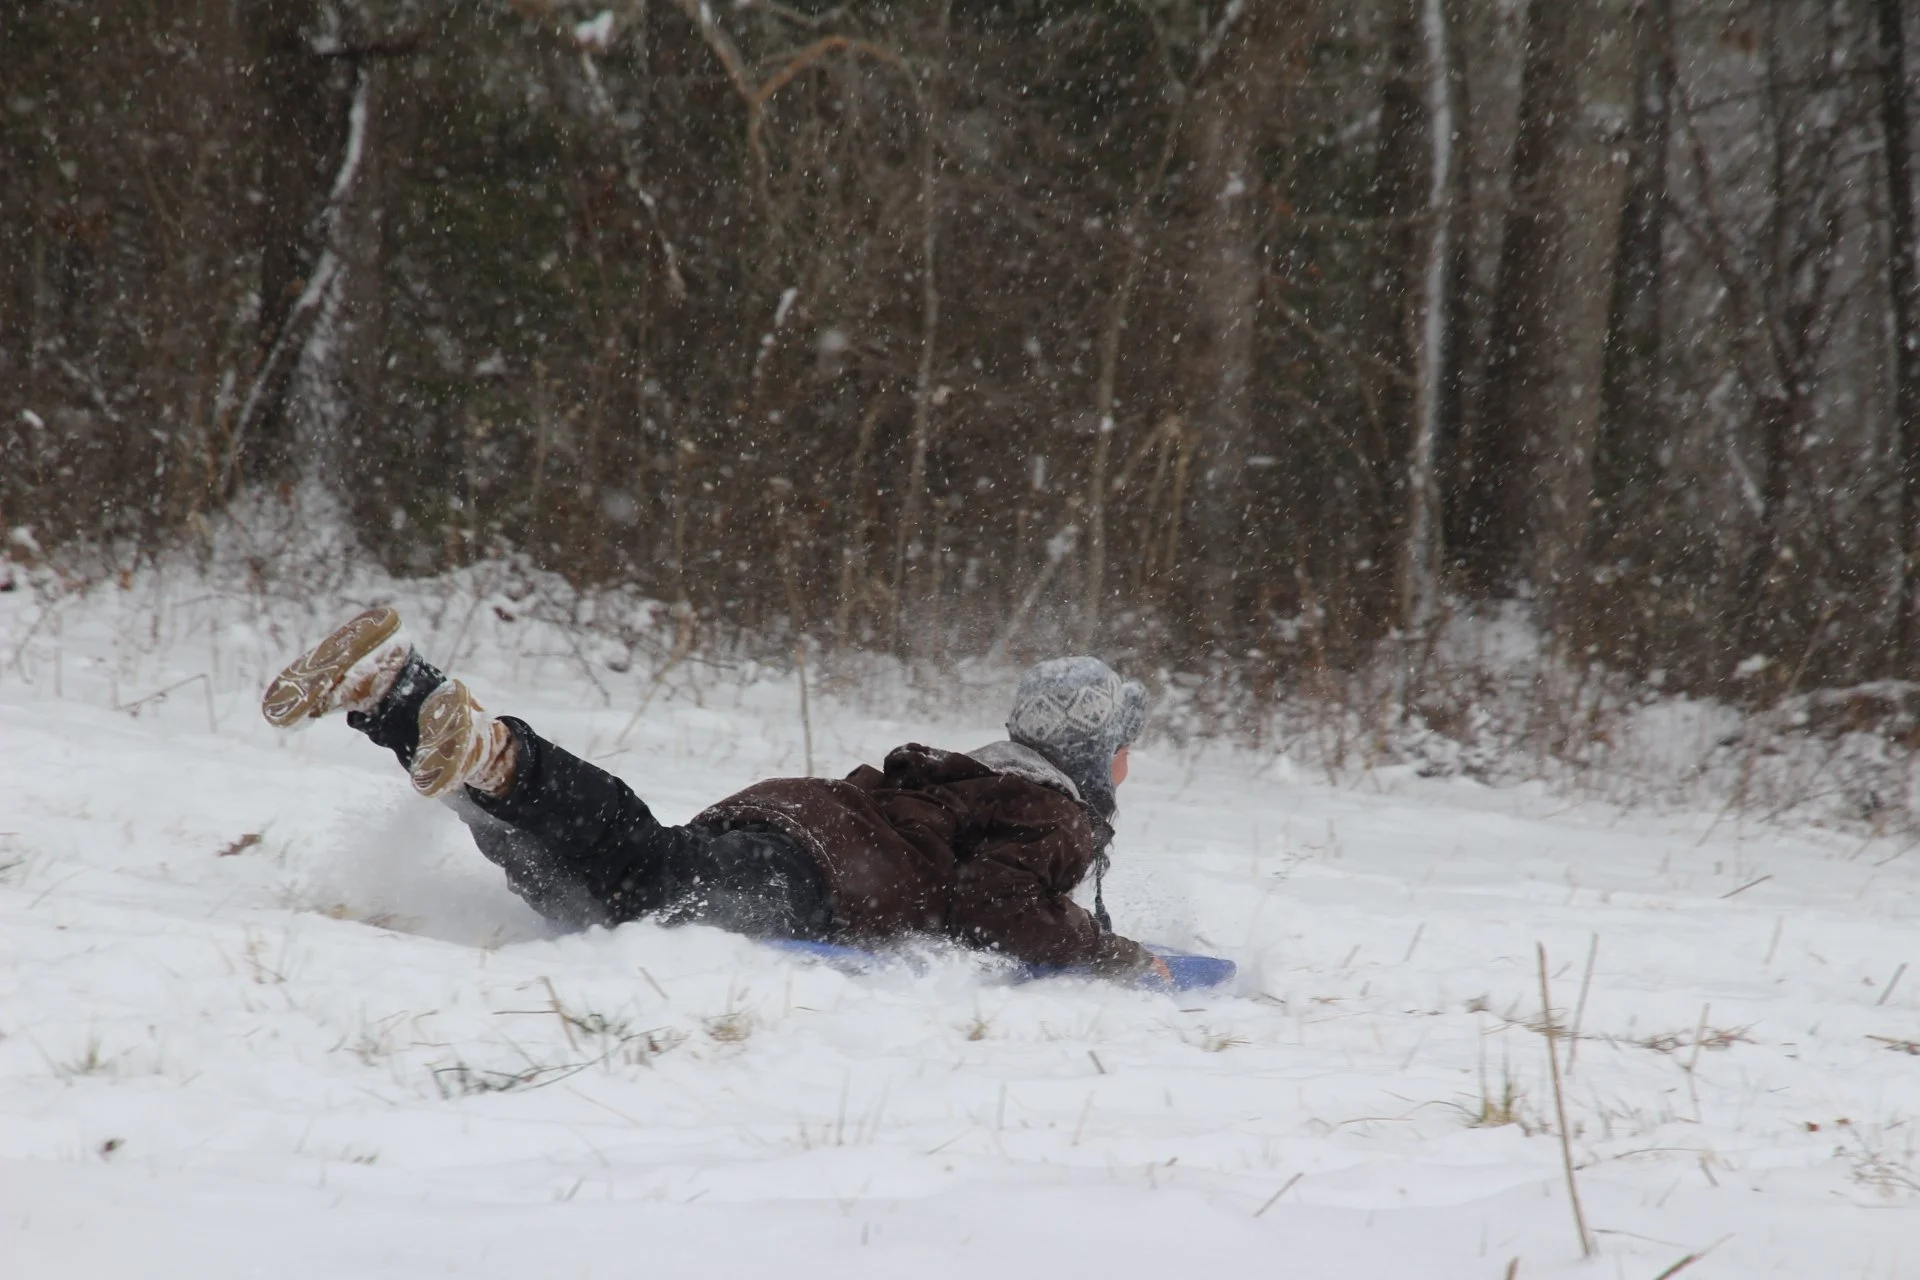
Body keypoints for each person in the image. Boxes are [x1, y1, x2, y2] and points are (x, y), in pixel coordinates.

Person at [263, 607, 1168, 982]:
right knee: (643, 882)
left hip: (795, 819)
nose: (1125, 770)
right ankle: (492, 753)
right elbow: (992, 905)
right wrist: (1105, 952)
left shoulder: (977, 770)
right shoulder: (1058, 812)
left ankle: (397, 701)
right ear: (1092, 753)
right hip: (825, 870)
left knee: (579, 893)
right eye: (1123, 751)